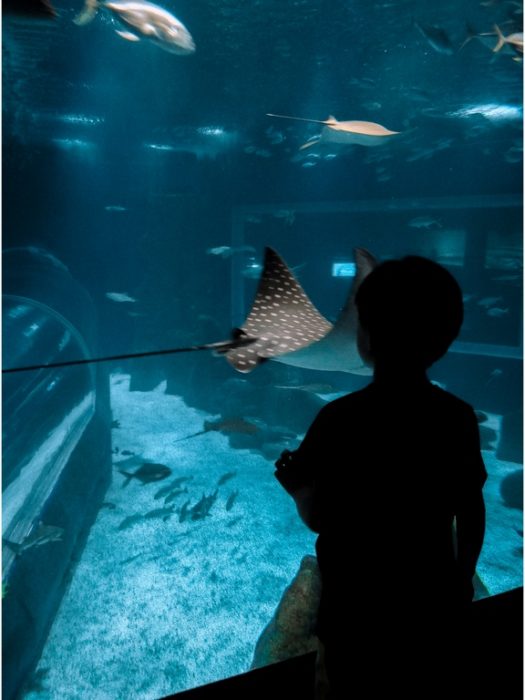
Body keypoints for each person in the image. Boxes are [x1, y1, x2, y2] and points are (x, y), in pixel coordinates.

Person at [275, 255, 486, 698]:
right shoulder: (458, 418)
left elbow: (320, 518)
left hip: (353, 616)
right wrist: (462, 579)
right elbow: (471, 509)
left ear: (365, 338)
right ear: (444, 341)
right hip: (430, 609)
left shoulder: (338, 418)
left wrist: (297, 488)